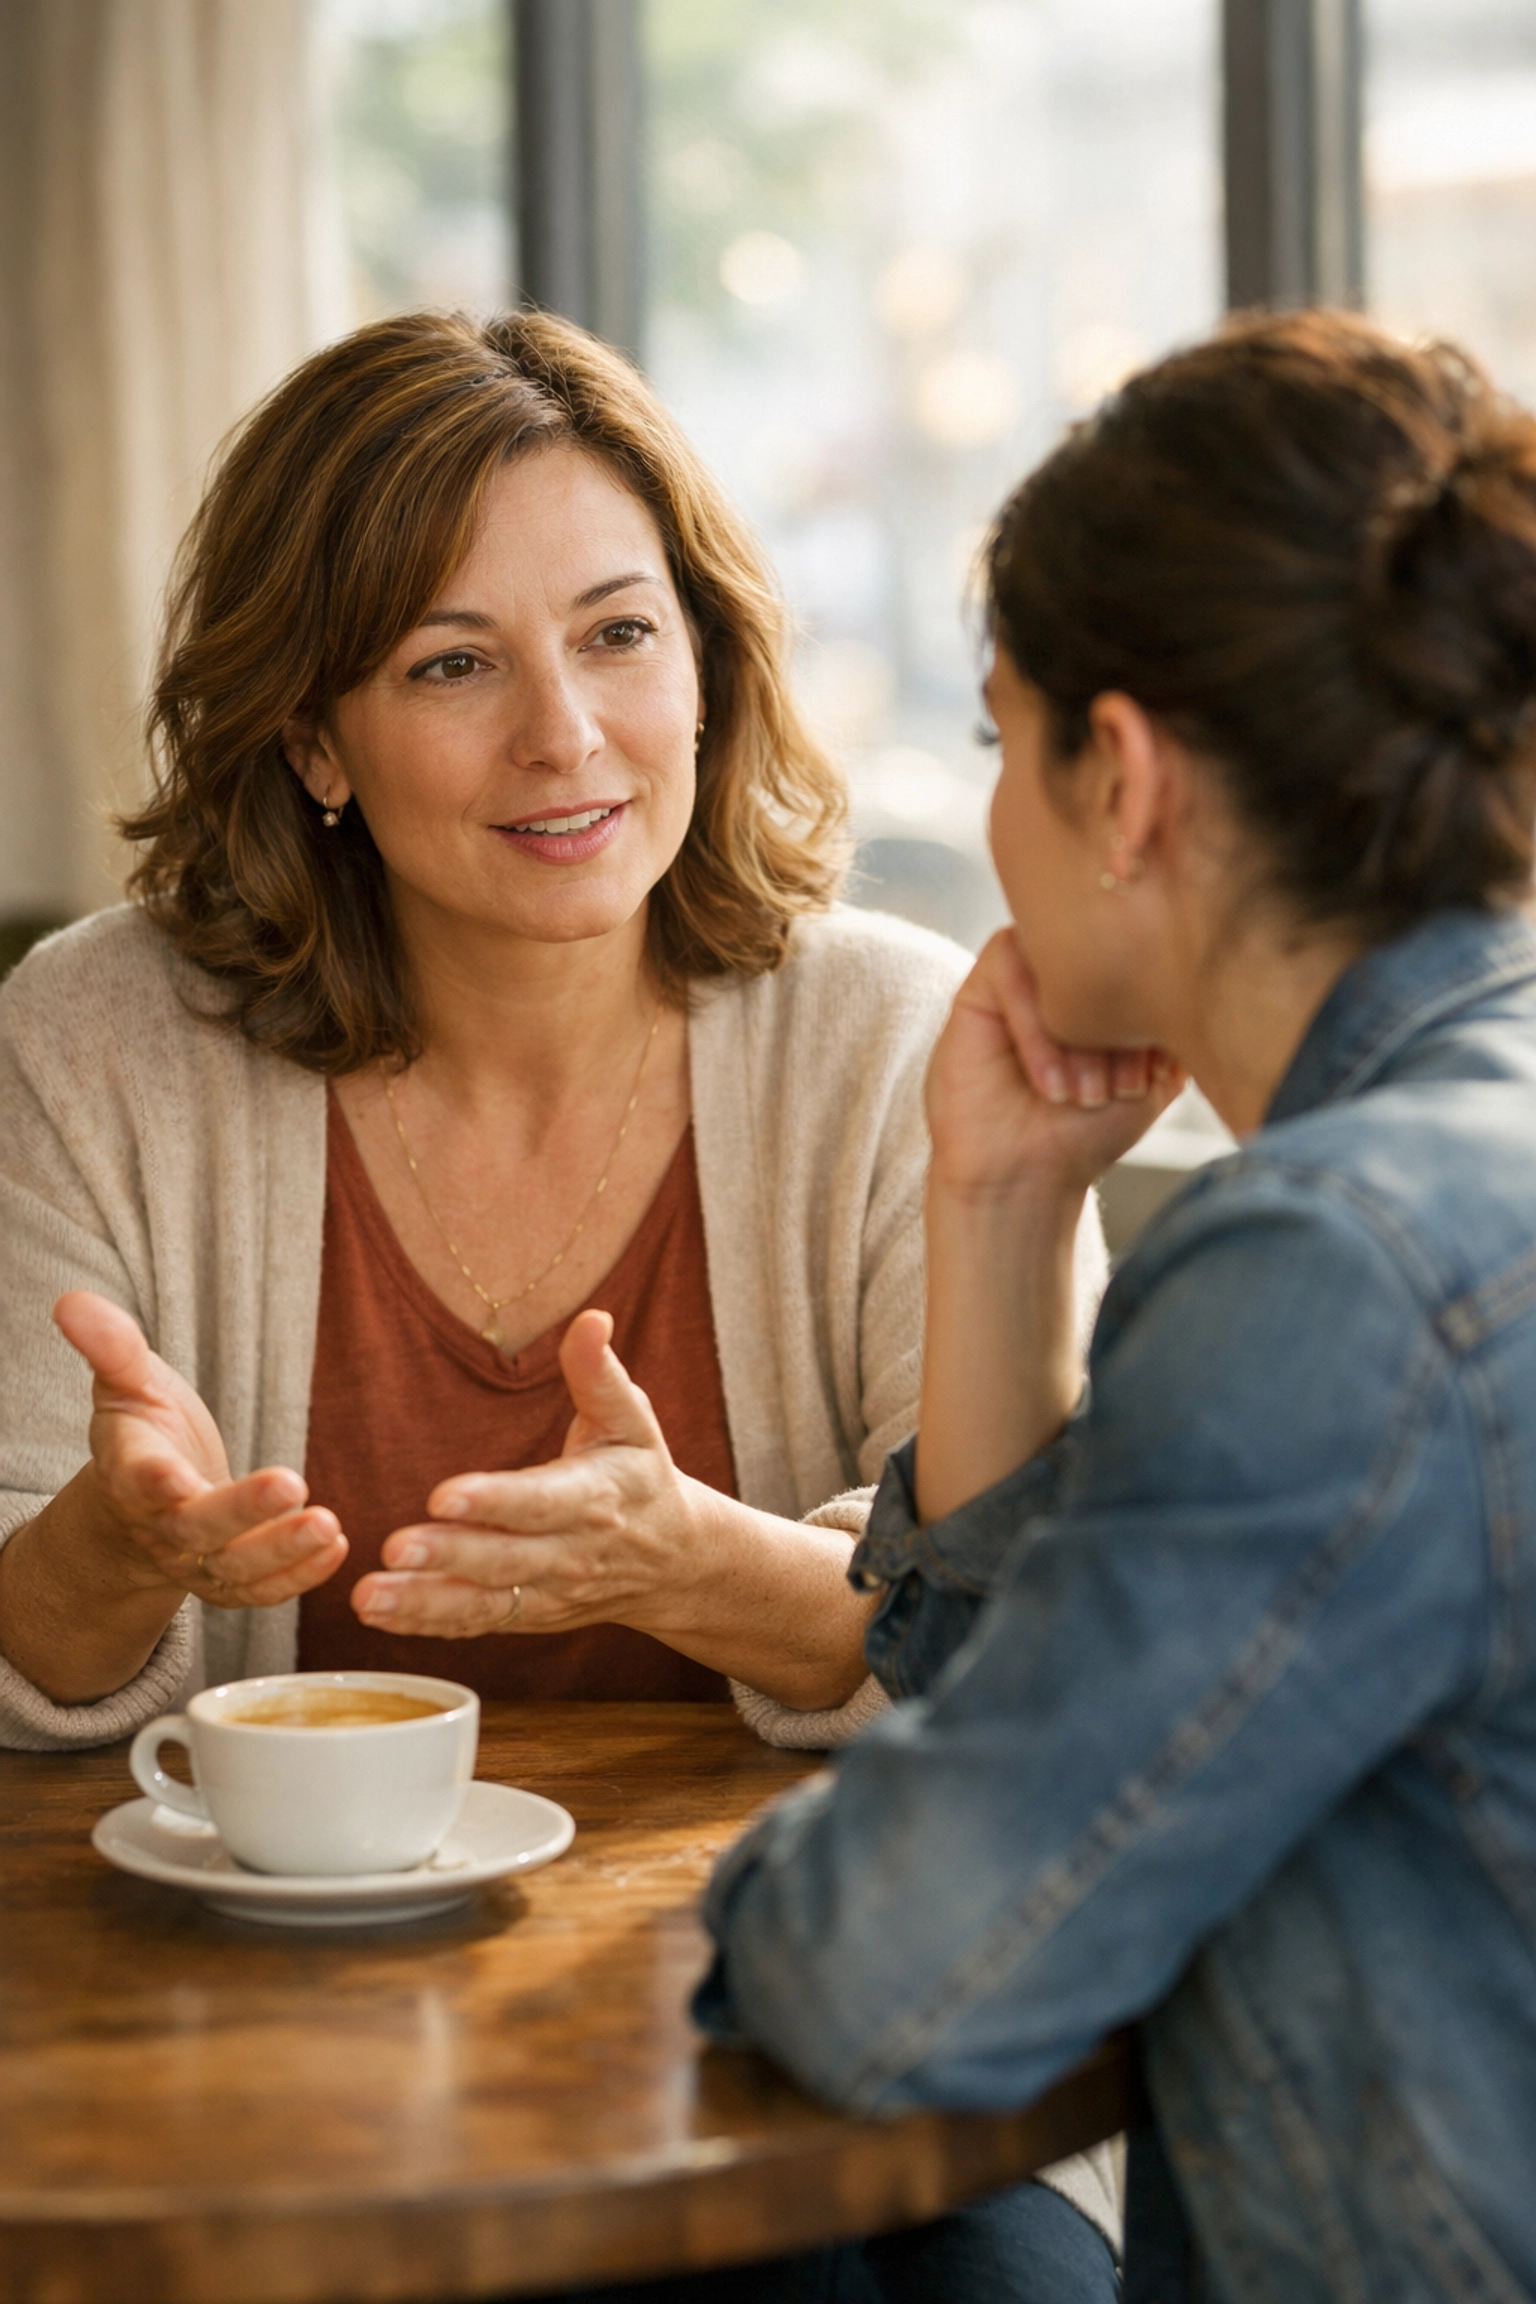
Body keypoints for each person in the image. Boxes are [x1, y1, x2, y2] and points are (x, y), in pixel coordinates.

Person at [0, 310, 1117, 2299]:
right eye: (453, 663)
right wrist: (118, 1548)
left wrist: (701, 1569)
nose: (565, 734)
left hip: (809, 2044)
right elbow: (22, 1656)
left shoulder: (889, 1039)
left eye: (618, 634)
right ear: (313, 739)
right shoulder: (97, 1039)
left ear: (708, 663)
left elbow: (1052, 1648)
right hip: (248, 2072)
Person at [694, 308, 1536, 2304]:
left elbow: (889, 1966)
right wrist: (1001, 1211)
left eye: (1007, 741)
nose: (996, 814)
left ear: (1127, 779)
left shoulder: (1340, 1269)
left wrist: (773, 1881)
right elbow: (1070, 1752)